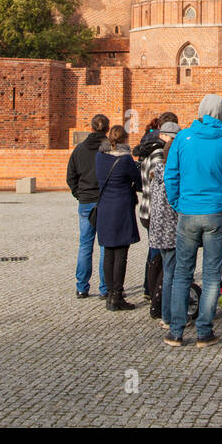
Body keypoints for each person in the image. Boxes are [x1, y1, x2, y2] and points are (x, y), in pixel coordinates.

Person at [164, 94, 222, 347]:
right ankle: (204, 331)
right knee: (211, 275)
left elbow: (171, 176)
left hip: (188, 212)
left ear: (200, 110)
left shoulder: (183, 139)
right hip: (215, 212)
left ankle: (176, 331)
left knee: (182, 273)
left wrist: (178, 203)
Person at [94, 124, 143, 311]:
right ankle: (117, 295)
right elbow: (139, 182)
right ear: (124, 139)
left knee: (108, 252)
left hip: (105, 208)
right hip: (122, 208)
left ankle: (109, 293)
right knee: (121, 254)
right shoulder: (125, 160)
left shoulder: (99, 156)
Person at [136, 112, 178, 311]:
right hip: (157, 211)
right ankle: (156, 296)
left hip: (146, 206)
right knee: (158, 257)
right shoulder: (159, 154)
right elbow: (162, 185)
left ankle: (149, 289)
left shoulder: (147, 149)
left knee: (154, 254)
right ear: (164, 134)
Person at [67, 113, 110, 299]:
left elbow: (71, 177)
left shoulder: (80, 149)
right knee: (104, 246)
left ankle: (82, 287)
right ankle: (104, 289)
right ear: (107, 129)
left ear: (91, 128)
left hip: (86, 202)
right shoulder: (110, 149)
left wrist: (80, 194)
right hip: (105, 201)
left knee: (85, 244)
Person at [144, 119, 181, 327]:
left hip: (158, 231)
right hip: (172, 232)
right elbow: (176, 205)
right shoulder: (172, 179)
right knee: (173, 274)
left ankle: (163, 311)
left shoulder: (157, 173)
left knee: (166, 272)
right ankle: (171, 315)